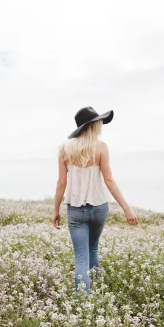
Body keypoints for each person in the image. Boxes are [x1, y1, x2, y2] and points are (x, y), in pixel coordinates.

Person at [52, 106, 139, 294]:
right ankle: (97, 288)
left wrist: (56, 210)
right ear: (92, 126)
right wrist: (127, 209)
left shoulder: (64, 149)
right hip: (99, 207)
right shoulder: (101, 147)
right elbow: (109, 180)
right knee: (93, 249)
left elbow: (61, 183)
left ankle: (84, 302)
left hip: (75, 209)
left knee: (80, 257)